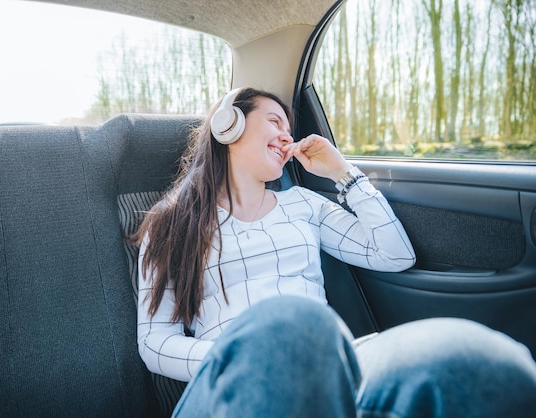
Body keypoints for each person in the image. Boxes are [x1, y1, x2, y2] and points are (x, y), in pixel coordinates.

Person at [136, 87, 536, 417]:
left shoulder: (305, 205)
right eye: (274, 121)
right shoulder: (171, 223)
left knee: (485, 362)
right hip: (229, 385)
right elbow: (155, 342)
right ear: (229, 125)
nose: (286, 136)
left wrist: (342, 172)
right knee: (291, 322)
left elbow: (394, 254)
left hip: (326, 366)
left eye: (289, 129)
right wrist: (244, 357)